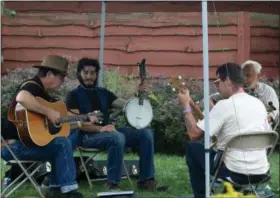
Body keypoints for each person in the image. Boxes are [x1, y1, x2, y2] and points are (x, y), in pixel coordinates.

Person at [65, 58, 168, 191]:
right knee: (117, 137)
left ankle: (146, 180)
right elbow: (74, 122)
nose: (89, 77)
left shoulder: (103, 93)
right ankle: (113, 183)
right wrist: (100, 129)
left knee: (145, 134)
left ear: (97, 74)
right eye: (86, 73)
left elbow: (127, 106)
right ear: (79, 73)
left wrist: (138, 94)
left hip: (109, 131)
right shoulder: (73, 96)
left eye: (93, 73)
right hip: (86, 135)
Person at [1, 55, 95, 198]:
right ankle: (67, 190)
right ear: (50, 74)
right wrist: (49, 111)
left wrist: (82, 120)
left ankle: (56, 189)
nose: (63, 82)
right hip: (12, 148)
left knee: (61, 140)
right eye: (61, 77)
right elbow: (22, 97)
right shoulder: (32, 85)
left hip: (24, 146)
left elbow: (59, 121)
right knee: (62, 144)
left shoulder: (44, 96)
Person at [178, 63, 271, 198]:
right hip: (261, 171)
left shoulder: (224, 105)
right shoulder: (259, 104)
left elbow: (194, 134)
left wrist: (186, 105)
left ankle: (202, 196)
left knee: (193, 148)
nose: (217, 86)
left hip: (234, 172)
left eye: (218, 82)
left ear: (227, 81)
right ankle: (234, 192)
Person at [241, 60, 279, 128]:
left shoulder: (268, 91)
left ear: (258, 76)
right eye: (243, 75)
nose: (244, 79)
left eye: (248, 75)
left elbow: (273, 112)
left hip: (262, 131)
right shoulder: (238, 90)